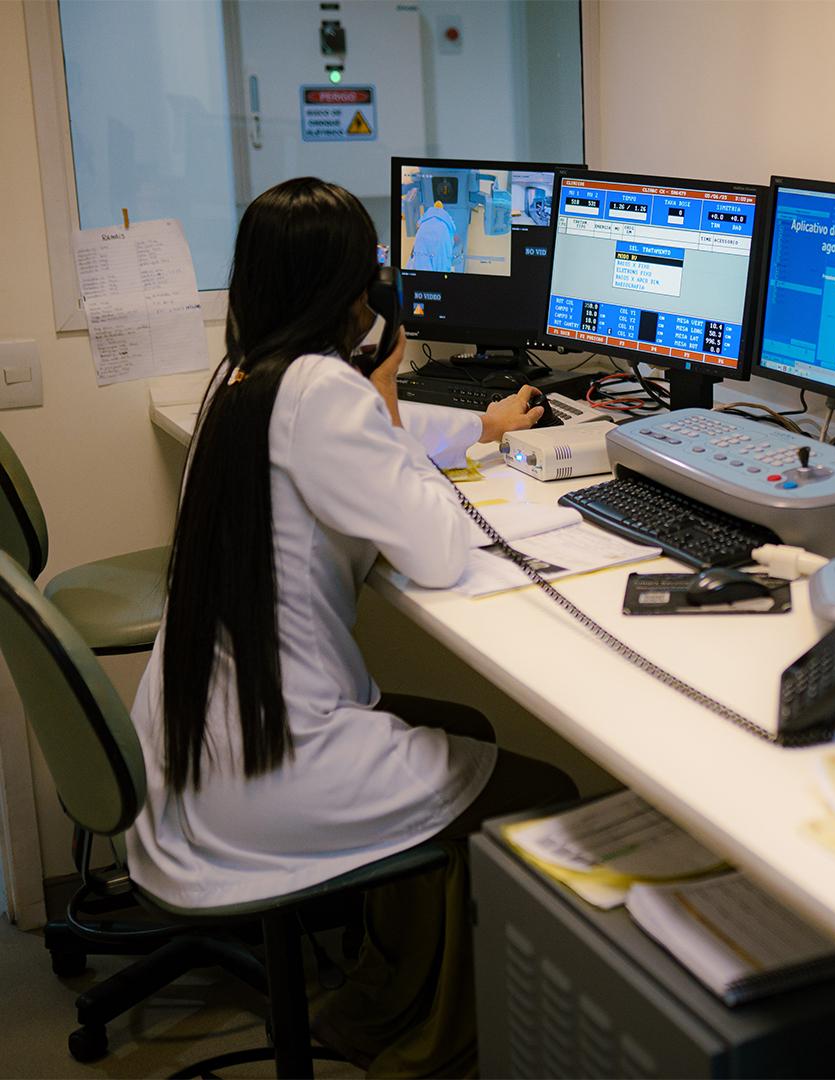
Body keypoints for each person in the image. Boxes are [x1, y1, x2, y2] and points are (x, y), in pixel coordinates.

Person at [125, 177, 577, 1074]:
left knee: (465, 727)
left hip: (202, 742)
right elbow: (437, 550)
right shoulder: (327, 391)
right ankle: (428, 1050)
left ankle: (381, 1001)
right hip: (270, 767)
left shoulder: (243, 375)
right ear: (350, 292)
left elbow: (365, 462)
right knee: (541, 793)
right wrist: (386, 380)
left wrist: (450, 422)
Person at [407, 198, 458, 271]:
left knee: (419, 261)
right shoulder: (447, 222)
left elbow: (414, 250)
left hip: (422, 238)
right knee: (441, 265)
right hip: (441, 240)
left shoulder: (425, 218)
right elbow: (451, 242)